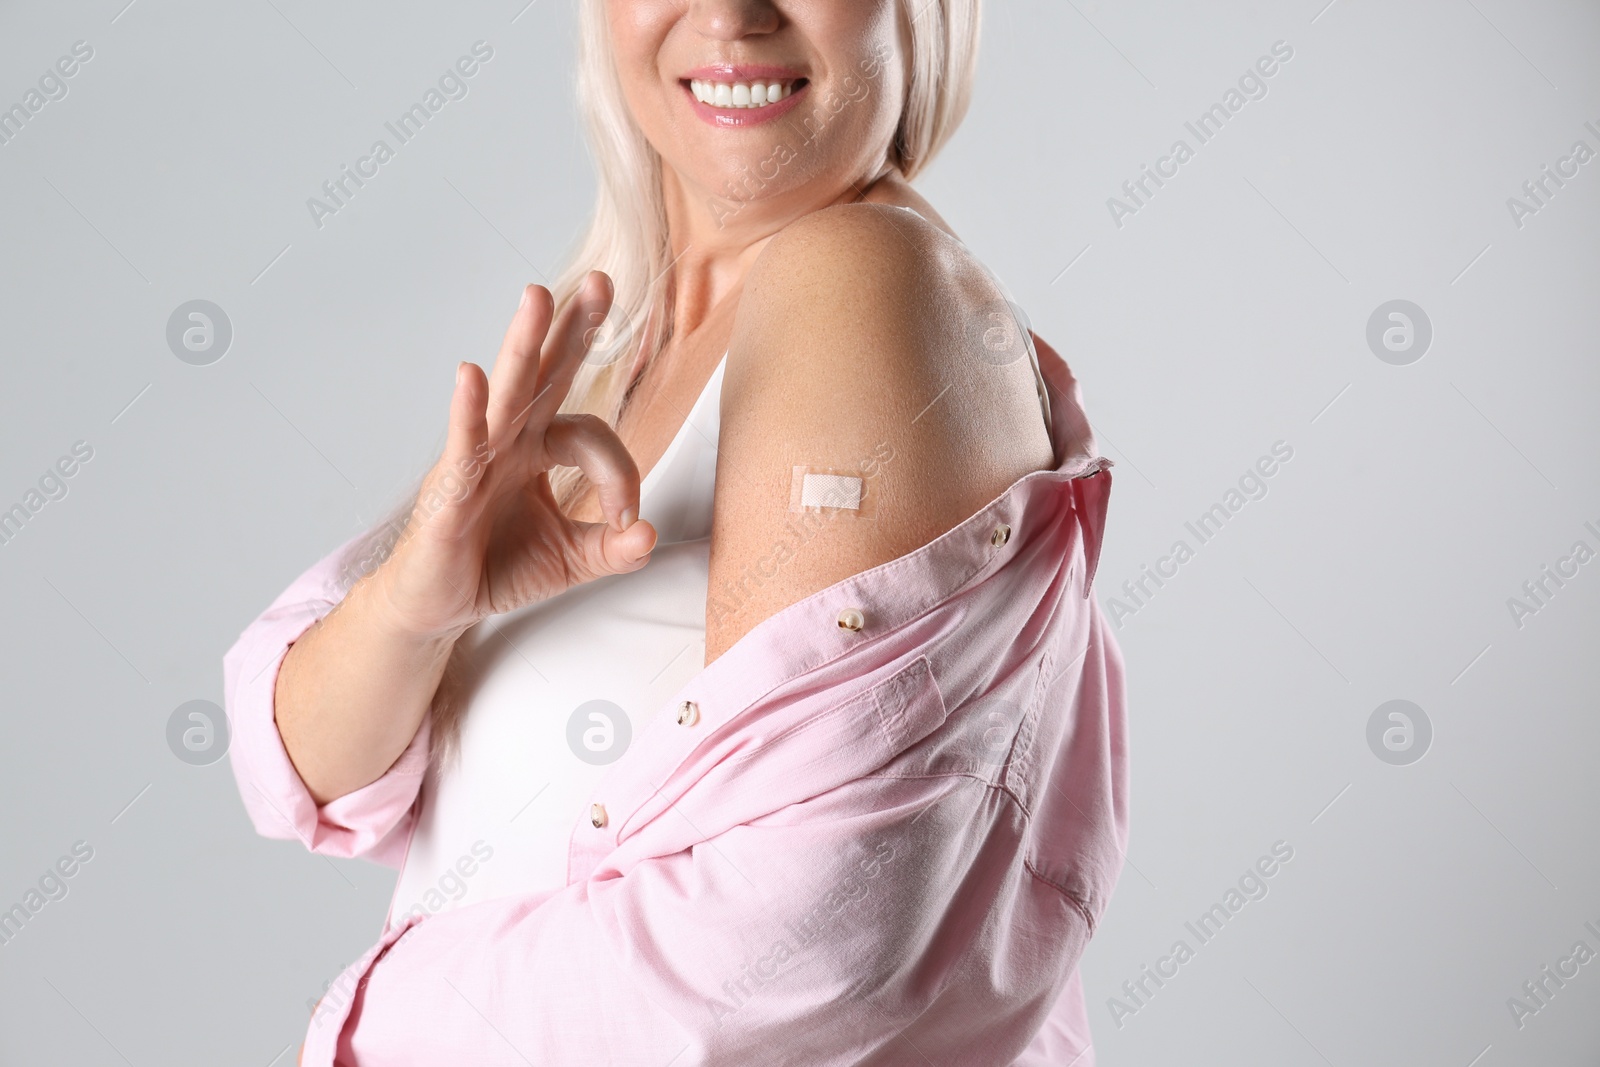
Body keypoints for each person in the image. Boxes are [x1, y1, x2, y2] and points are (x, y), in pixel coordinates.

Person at [223, 1, 1129, 1062]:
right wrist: (411, 608)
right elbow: (298, 766)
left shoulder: (858, 276)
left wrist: (372, 1023)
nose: (733, 14)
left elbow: (809, 934)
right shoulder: (616, 339)